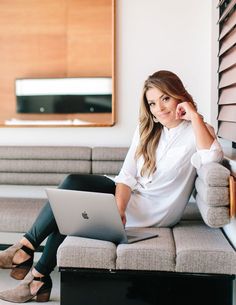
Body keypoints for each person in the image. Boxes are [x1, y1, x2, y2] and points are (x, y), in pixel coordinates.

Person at [0, 70, 223, 303]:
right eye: (153, 103)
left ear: (179, 96)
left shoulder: (198, 131)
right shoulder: (148, 130)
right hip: (130, 201)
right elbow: (126, 175)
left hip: (154, 211)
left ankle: (28, 261)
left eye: (165, 98)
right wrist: (119, 208)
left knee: (70, 204)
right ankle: (34, 270)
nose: (160, 108)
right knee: (72, 188)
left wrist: (195, 116)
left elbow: (211, 160)